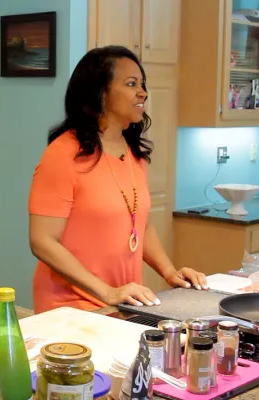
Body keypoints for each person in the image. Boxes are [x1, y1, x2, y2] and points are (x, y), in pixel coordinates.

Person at [28, 46, 208, 314]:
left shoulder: (133, 153)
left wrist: (170, 273)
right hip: (71, 306)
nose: (142, 92)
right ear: (100, 92)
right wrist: (107, 292)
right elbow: (42, 241)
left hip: (124, 301)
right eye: (131, 83)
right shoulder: (63, 153)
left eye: (142, 84)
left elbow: (140, 226)